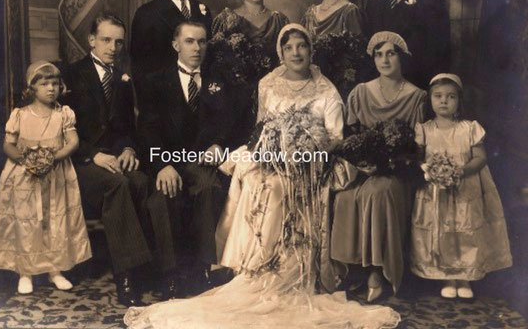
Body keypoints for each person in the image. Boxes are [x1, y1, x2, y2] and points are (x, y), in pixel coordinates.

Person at [124, 24, 401, 329]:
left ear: (310, 51)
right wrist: (274, 149)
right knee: (259, 180)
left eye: (302, 47)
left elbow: (335, 135)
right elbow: (261, 129)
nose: (296, 53)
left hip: (313, 161)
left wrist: (305, 147)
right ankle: (252, 268)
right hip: (270, 157)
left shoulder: (326, 89)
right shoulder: (268, 83)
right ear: (280, 53)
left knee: (278, 186)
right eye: (289, 47)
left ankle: (289, 270)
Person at [63, 14, 175, 306]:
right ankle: (127, 276)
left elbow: (125, 128)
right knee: (118, 186)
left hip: (114, 158)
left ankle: (165, 271)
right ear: (91, 41)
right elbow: (59, 131)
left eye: (118, 42)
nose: (113, 47)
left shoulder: (123, 81)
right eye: (106, 40)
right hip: (80, 162)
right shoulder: (71, 76)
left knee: (144, 183)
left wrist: (128, 150)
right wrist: (93, 155)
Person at [331, 31, 426, 302]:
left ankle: (378, 272)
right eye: (378, 54)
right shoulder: (361, 92)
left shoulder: (416, 97)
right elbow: (351, 136)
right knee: (346, 196)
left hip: (398, 171)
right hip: (364, 169)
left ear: (401, 57)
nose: (384, 60)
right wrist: (362, 160)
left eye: (391, 53)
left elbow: (417, 148)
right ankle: (352, 270)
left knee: (378, 192)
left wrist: (390, 162)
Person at [0, 61, 92, 294]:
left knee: (54, 221)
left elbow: (73, 142)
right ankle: (27, 272)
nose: (51, 88)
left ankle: (54, 270)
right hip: (25, 177)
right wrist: (26, 161)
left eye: (55, 83)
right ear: (32, 87)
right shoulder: (20, 115)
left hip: (56, 175)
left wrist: (53, 158)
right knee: (27, 222)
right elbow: (8, 145)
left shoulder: (63, 114)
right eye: (44, 84)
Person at [138, 21, 227, 296]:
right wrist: (162, 165)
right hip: (166, 160)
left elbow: (229, 123)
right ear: (176, 45)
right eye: (190, 41)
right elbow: (147, 129)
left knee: (209, 188)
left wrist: (217, 144)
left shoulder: (218, 80)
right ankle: (170, 275)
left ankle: (202, 270)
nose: (196, 47)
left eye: (202, 41)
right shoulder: (155, 81)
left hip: (201, 162)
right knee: (163, 197)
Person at [410, 73, 512, 299]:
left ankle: (464, 277)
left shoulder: (470, 128)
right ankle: (447, 277)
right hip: (435, 191)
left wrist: (459, 171)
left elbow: (480, 158)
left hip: (465, 189)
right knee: (442, 231)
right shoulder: (424, 129)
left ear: (459, 101)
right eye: (438, 96)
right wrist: (429, 170)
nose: (444, 101)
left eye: (450, 97)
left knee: (464, 232)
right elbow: (417, 159)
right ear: (431, 100)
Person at [198, 0, 289, 153]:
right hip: (232, 103)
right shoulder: (225, 19)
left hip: (272, 99)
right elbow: (212, 66)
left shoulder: (279, 20)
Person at [130, 0, 213, 92]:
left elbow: (209, 57)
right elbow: (139, 66)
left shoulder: (202, 9)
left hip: (201, 95)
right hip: (165, 96)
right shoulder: (147, 12)